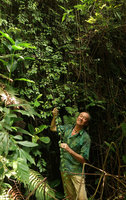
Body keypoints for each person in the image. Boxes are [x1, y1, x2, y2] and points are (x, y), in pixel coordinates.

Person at [50, 108, 91, 200]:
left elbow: (83, 160)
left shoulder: (85, 138)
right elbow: (53, 128)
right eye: (80, 116)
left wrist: (69, 150)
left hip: (76, 172)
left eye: (84, 118)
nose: (81, 118)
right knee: (70, 197)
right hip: (64, 169)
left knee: (82, 198)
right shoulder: (68, 128)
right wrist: (54, 117)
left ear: (86, 123)